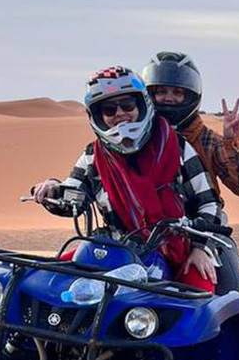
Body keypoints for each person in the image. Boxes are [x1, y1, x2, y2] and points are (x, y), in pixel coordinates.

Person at [31, 65, 221, 292]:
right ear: (98, 116)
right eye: (109, 109)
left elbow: (209, 203)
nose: (120, 113)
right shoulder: (94, 155)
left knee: (200, 302)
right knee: (45, 282)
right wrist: (53, 189)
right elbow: (74, 195)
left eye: (128, 105)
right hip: (113, 250)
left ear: (142, 105)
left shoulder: (177, 147)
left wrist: (200, 248)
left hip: (176, 252)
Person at [141, 52, 239, 293]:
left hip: (204, 229)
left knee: (229, 293)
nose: (168, 99)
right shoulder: (136, 141)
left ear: (191, 96)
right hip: (145, 231)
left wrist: (232, 144)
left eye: (177, 92)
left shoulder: (207, 141)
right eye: (161, 91)